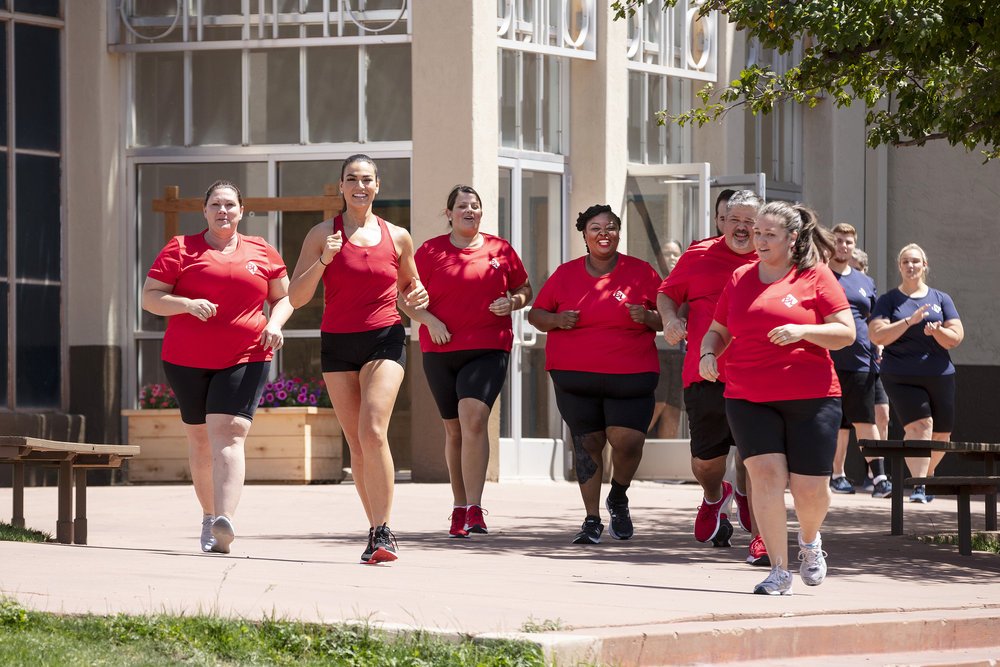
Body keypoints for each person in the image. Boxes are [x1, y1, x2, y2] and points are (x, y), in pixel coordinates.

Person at [700, 201, 855, 595]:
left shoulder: (815, 275)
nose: (760, 240)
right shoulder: (740, 277)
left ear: (792, 238)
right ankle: (779, 570)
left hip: (812, 397)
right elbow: (719, 331)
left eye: (770, 234)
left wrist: (803, 332)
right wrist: (707, 354)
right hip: (748, 396)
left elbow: (846, 332)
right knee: (765, 477)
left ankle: (810, 541)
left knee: (810, 490)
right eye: (758, 233)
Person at [288, 154, 428, 563]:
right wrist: (324, 259)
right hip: (337, 343)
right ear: (341, 186)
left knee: (373, 431)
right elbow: (296, 297)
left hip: (384, 337)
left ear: (377, 186)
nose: (360, 186)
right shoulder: (321, 234)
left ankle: (384, 529)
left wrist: (419, 297)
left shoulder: (398, 236)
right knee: (357, 442)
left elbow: (411, 290)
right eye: (352, 179)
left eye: (367, 179)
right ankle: (374, 530)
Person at [141, 180, 293, 555]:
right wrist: (187, 304)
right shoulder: (180, 248)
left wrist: (275, 324)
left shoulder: (262, 250)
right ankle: (209, 516)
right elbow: (150, 298)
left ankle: (225, 519)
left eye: (229, 205)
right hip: (186, 359)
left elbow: (284, 297)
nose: (223, 211)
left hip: (247, 354)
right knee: (200, 439)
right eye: (215, 205)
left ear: (242, 210)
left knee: (230, 432)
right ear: (204, 210)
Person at [402, 185, 532, 538]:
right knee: (454, 429)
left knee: (473, 418)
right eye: (462, 206)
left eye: (475, 205)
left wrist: (513, 303)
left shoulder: (500, 250)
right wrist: (429, 320)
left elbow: (525, 289)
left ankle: (475, 507)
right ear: (449, 213)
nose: (469, 211)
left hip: (489, 346)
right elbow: (403, 298)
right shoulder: (429, 252)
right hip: (440, 349)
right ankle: (459, 506)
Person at [528, 204, 662, 544]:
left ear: (618, 232)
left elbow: (669, 317)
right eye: (595, 228)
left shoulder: (641, 272)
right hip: (574, 374)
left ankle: (618, 494)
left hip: (631, 373)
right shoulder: (565, 274)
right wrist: (557, 320)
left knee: (628, 442)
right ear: (585, 235)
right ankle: (591, 519)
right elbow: (536, 315)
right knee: (588, 443)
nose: (604, 233)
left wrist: (648, 317)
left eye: (610, 227)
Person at [658, 190, 765, 565]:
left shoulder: (771, 257)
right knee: (706, 462)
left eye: (750, 221)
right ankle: (714, 495)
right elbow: (667, 294)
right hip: (706, 373)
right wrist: (670, 319)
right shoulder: (699, 254)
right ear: (722, 221)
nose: (742, 228)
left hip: (758, 376)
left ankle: (761, 537)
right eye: (735, 220)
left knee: (757, 459)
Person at [869, 243, 963, 503]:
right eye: (905, 262)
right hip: (901, 374)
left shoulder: (941, 298)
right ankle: (919, 485)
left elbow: (955, 337)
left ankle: (926, 476)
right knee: (921, 425)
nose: (910, 266)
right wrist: (909, 321)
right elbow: (877, 335)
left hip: (939, 373)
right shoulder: (889, 300)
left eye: (915, 261)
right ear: (899, 267)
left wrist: (938, 331)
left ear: (925, 266)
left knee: (942, 434)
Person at [827, 224, 891, 499]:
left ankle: (880, 478)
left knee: (866, 419)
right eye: (839, 241)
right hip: (826, 361)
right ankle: (833, 475)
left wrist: (880, 342)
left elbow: (874, 319)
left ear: (854, 246)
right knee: (831, 422)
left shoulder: (865, 281)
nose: (843, 246)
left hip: (861, 362)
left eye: (848, 242)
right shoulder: (819, 275)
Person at [852, 248, 891, 455]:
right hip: (847, 362)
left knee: (882, 414)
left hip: (872, 362)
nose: (852, 273)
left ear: (864, 270)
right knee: (848, 422)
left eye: (857, 269)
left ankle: (877, 468)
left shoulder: (868, 288)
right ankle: (838, 470)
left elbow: (876, 320)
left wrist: (881, 343)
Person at [649, 239, 684, 440]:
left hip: (680, 355)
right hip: (656, 353)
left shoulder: (687, 280)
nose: (671, 258)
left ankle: (666, 457)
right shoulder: (650, 282)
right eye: (666, 254)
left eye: (675, 254)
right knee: (657, 404)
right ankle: (627, 453)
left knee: (673, 409)